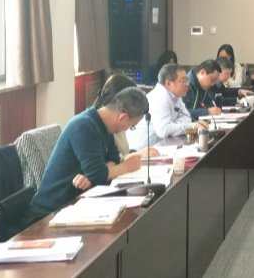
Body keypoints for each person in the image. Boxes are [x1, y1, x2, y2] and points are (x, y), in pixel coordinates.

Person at [25, 87, 153, 225]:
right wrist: (126, 167)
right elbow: (99, 175)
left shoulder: (105, 125)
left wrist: (100, 172)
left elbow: (113, 159)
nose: (128, 129)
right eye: (132, 125)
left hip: (77, 203)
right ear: (123, 117)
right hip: (49, 214)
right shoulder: (84, 126)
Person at [127, 64, 207, 150]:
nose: (187, 84)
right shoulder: (160, 97)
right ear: (168, 83)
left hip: (161, 145)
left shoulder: (176, 96)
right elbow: (164, 130)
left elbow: (187, 118)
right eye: (183, 81)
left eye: (187, 80)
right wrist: (193, 126)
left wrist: (172, 125)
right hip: (143, 150)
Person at [92, 73, 139, 158]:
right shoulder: (96, 126)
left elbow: (118, 156)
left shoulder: (119, 120)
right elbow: (103, 164)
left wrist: (135, 154)